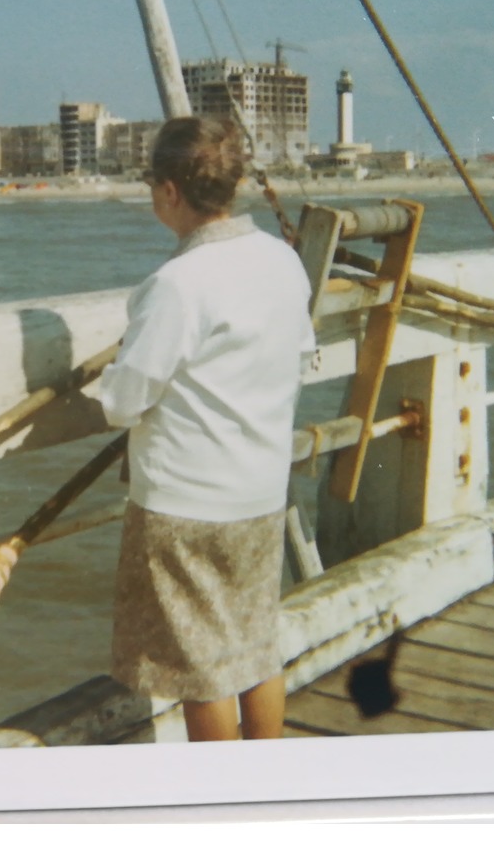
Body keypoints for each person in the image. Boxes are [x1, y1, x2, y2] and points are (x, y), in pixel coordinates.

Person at [97, 115, 315, 741]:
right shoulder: (281, 260)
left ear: (169, 191)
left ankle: (225, 806)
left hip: (188, 510)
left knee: (205, 673)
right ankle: (265, 786)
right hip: (259, 495)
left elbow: (122, 400)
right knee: (253, 649)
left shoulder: (176, 285)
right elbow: (300, 352)